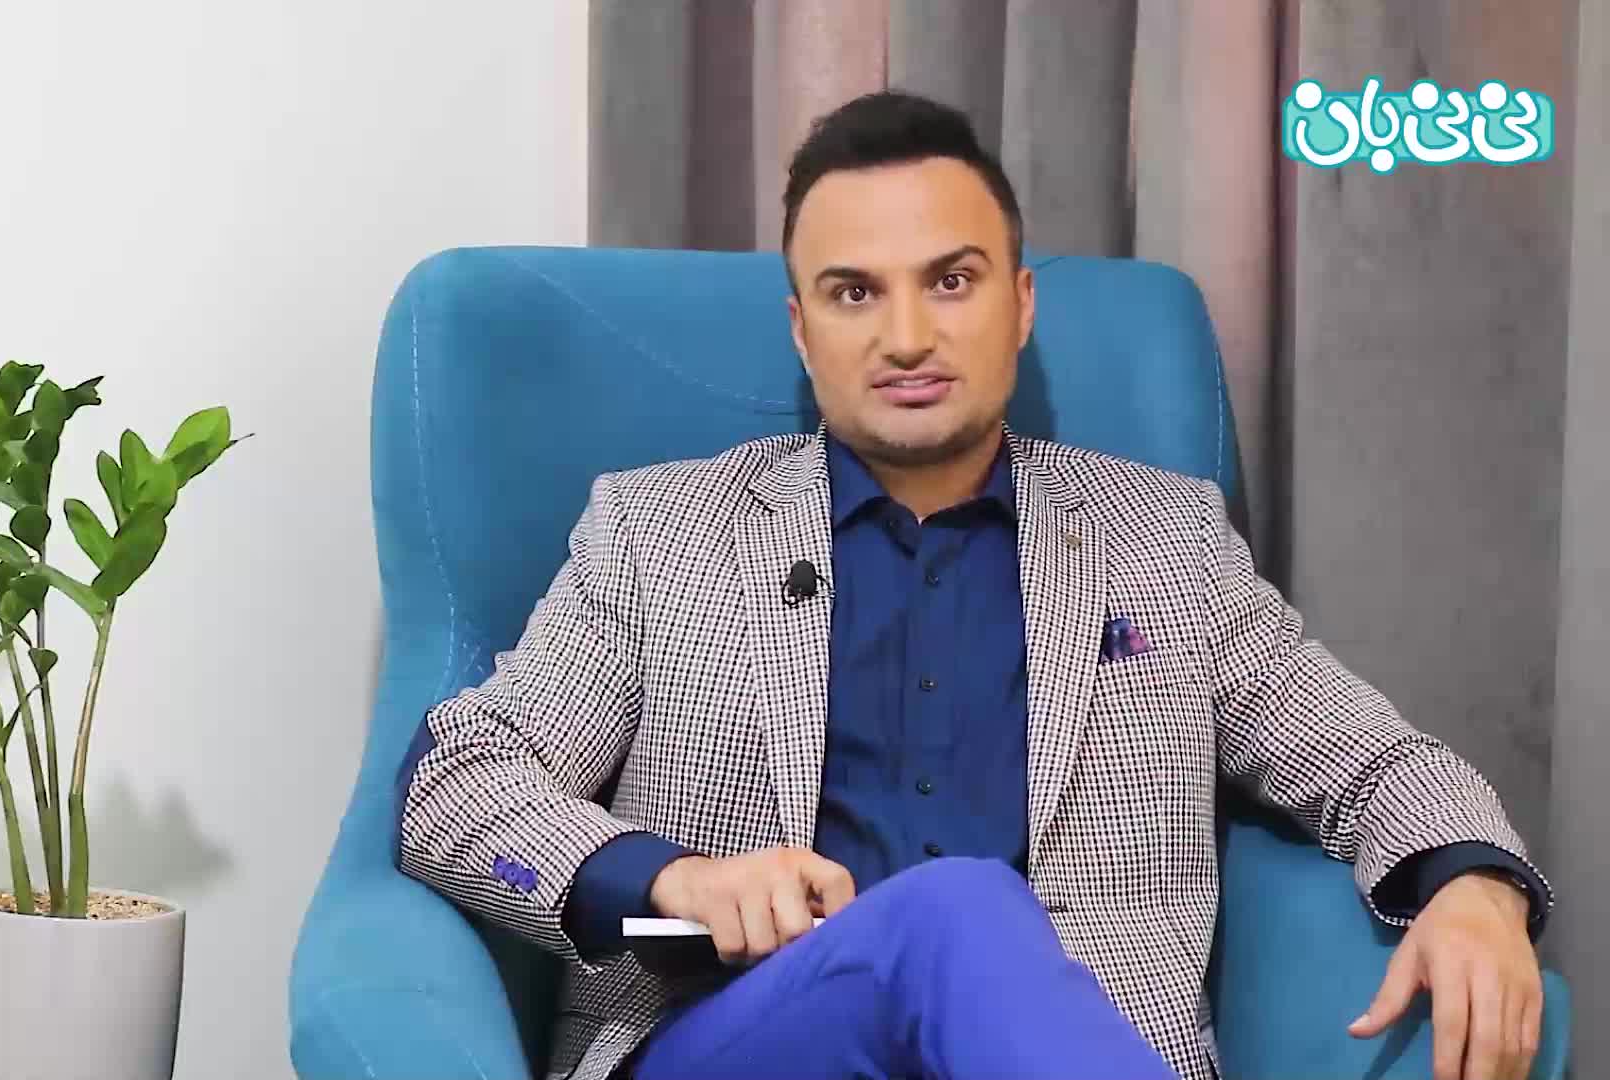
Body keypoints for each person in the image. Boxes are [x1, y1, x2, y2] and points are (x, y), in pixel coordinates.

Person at [396, 90, 1551, 1080]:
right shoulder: (660, 533)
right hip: (747, 1037)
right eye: (854, 293)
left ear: (1021, 304)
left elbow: (1373, 761)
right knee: (952, 911)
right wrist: (671, 880)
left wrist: (1474, 885)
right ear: (802, 331)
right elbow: (458, 783)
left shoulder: (1168, 542)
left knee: (967, 918)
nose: (906, 336)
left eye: (950, 280)